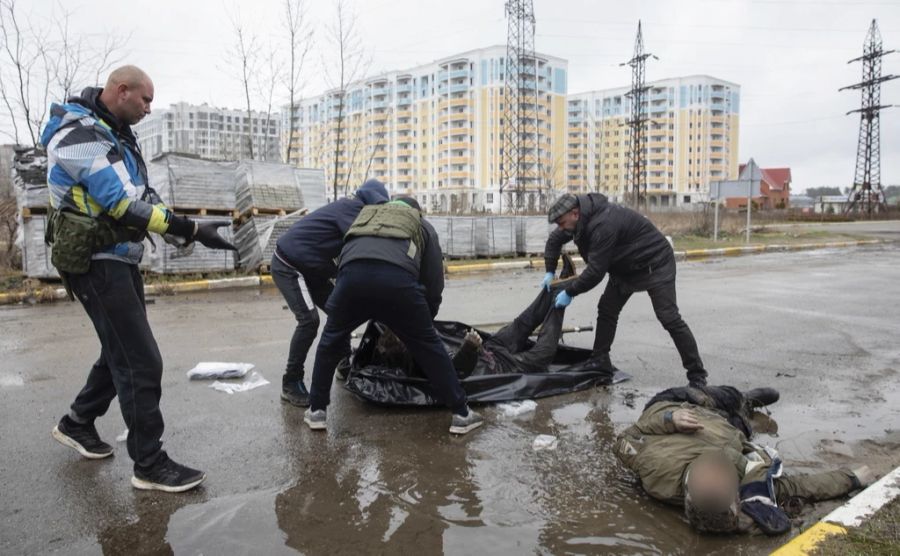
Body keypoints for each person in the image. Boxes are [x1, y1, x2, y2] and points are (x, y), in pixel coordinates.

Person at [42, 66, 236, 493]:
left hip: (118, 256)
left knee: (122, 353)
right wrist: (188, 229)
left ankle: (77, 422)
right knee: (141, 361)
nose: (149, 108)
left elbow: (142, 193)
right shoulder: (77, 133)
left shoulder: (115, 134)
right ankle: (149, 464)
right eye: (145, 100)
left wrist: (192, 231)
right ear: (121, 90)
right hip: (95, 259)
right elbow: (120, 201)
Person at [306, 197, 483, 434]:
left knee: (330, 340)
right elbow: (433, 282)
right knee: (428, 346)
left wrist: (346, 296)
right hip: (397, 282)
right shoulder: (421, 224)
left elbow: (345, 256)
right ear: (415, 211)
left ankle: (317, 411)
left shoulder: (366, 219)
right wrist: (426, 319)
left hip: (351, 280)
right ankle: (462, 414)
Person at [613, 385, 873, 534]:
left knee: (720, 395)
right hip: (729, 429)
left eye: (708, 479)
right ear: (737, 496)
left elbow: (625, 438)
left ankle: (740, 398)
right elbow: (801, 486)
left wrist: (669, 420)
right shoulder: (751, 486)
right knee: (742, 421)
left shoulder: (656, 471)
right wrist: (853, 479)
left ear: (688, 493)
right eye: (723, 480)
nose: (716, 468)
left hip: (677, 404)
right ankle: (744, 406)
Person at [542, 193, 707, 387]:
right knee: (607, 310)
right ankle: (599, 359)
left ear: (575, 213)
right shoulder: (577, 222)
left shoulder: (603, 224)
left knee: (669, 317)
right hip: (626, 267)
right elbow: (554, 241)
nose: (560, 228)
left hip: (655, 263)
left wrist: (570, 292)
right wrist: (549, 272)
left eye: (561, 223)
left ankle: (697, 376)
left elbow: (595, 272)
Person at [271, 179, 389, 407]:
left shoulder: (352, 208)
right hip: (289, 264)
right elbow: (362, 244)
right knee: (309, 321)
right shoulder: (353, 210)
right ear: (374, 202)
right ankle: (291, 381)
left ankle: (344, 363)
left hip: (311, 267)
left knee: (341, 310)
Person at [451, 255, 579, 377]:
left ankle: (562, 283)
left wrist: (469, 348)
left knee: (522, 324)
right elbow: (456, 374)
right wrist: (468, 348)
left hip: (490, 350)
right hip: (500, 368)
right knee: (541, 353)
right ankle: (565, 287)